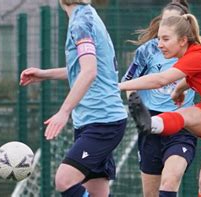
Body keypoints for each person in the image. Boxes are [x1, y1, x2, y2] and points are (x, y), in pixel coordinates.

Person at [119, 14, 201, 197]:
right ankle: (151, 124)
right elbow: (194, 77)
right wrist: (178, 91)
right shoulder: (194, 53)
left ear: (182, 40)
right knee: (184, 116)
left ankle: (153, 124)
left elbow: (161, 80)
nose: (159, 44)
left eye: (166, 39)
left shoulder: (198, 55)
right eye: (159, 38)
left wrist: (116, 87)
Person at [19, 0, 128, 196]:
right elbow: (85, 69)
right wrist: (45, 74)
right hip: (97, 119)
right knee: (96, 191)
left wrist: (64, 111)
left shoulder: (80, 23)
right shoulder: (88, 15)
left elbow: (89, 72)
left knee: (64, 180)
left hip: (102, 121)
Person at [121, 1, 197, 197]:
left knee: (170, 181)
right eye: (165, 21)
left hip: (182, 124)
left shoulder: (195, 51)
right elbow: (129, 82)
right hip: (151, 124)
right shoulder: (148, 50)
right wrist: (135, 104)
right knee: (151, 193)